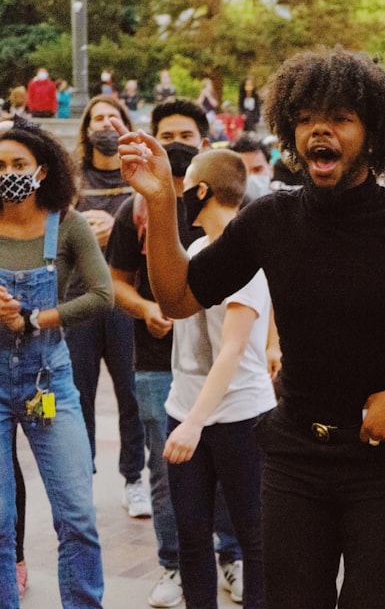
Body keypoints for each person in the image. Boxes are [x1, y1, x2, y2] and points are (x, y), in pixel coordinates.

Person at [112, 47, 385, 609]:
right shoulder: (271, 218)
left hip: (380, 460)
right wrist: (163, 202)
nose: (318, 132)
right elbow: (181, 297)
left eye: (339, 119)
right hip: (291, 461)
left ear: (375, 133)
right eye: (306, 119)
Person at [106, 99, 243, 607]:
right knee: (167, 476)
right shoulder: (134, 208)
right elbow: (115, 283)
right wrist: (146, 308)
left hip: (221, 371)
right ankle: (173, 567)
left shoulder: (229, 213)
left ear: (204, 142)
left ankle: (232, 559)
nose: (179, 141)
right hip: (157, 363)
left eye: (187, 133)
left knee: (233, 477)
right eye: (169, 133)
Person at [0, 118, 111, 608]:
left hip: (50, 381)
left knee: (78, 517)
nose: (9, 173)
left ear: (41, 170)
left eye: (19, 164)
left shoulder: (67, 224)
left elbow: (103, 295)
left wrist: (34, 318)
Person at [163, 149, 274, 609]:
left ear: (202, 191)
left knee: (255, 536)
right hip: (184, 406)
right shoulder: (199, 248)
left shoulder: (242, 251)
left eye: (186, 185)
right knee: (191, 536)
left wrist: (195, 423)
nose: (180, 195)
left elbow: (230, 348)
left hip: (238, 416)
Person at [68, 95, 149, 519]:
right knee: (75, 395)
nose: (105, 124)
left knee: (130, 394)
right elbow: (51, 240)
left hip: (123, 301)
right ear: (85, 129)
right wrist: (84, 233)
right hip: (79, 302)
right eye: (97, 118)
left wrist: (112, 233)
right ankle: (81, 477)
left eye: (113, 117)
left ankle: (135, 477)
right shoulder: (70, 179)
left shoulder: (137, 174)